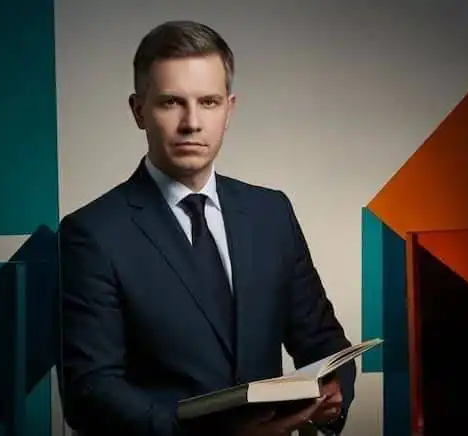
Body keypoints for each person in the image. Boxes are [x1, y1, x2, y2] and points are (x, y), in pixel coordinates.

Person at [59, 20, 356, 436]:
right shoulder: (92, 234)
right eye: (171, 102)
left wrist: (333, 395)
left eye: (209, 102)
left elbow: (324, 342)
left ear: (229, 110)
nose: (192, 122)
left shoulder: (271, 212)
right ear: (139, 110)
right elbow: (90, 391)